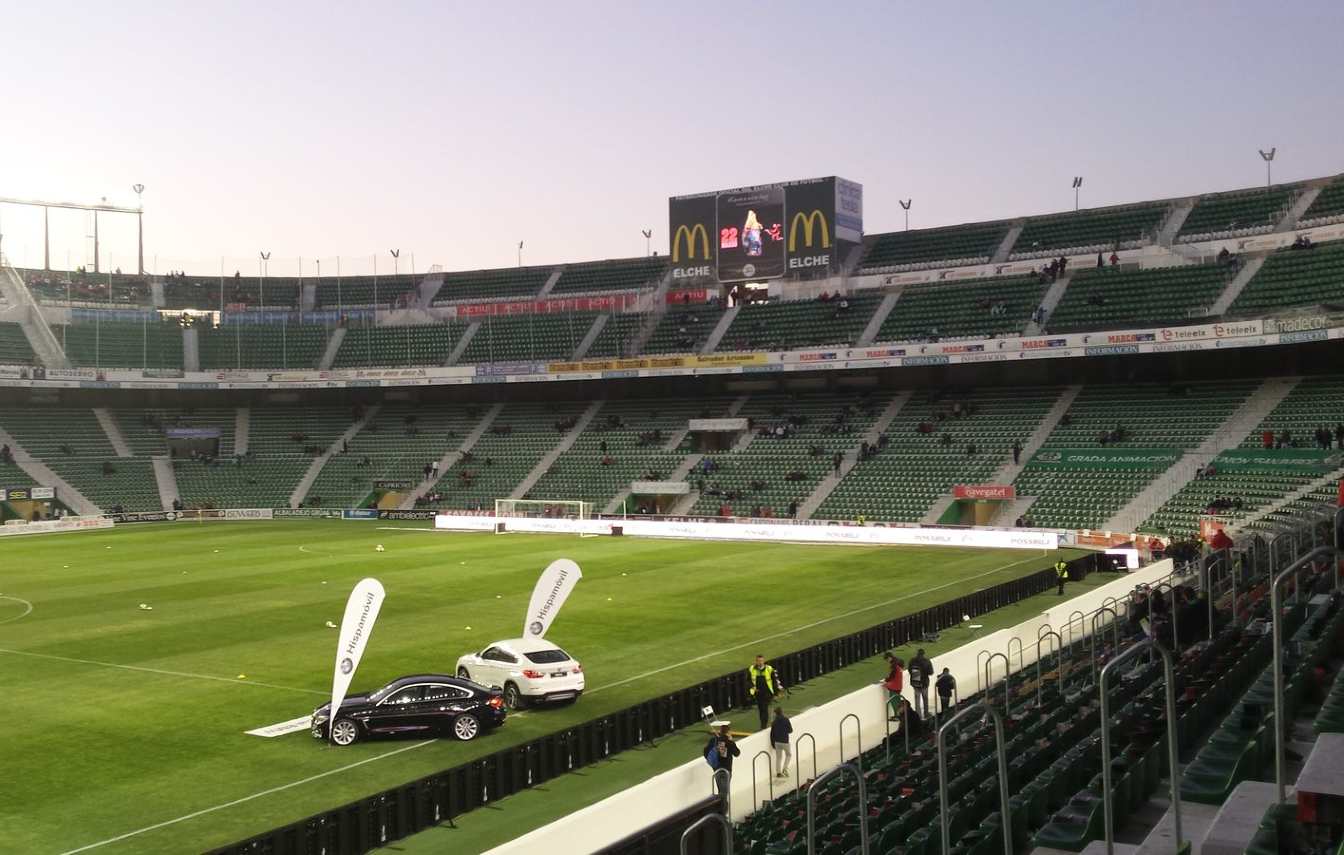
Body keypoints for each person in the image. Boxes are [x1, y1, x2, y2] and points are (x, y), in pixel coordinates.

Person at [747, 654, 783, 729]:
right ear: (756, 661)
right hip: (757, 692)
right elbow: (748, 680)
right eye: (758, 661)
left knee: (764, 708)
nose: (760, 662)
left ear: (763, 661)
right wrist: (753, 687)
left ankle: (763, 725)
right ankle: (763, 724)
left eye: (761, 661)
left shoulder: (769, 669)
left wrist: (776, 692)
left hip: (767, 692)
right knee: (761, 709)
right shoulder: (752, 669)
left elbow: (774, 681)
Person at [710, 724, 739, 795]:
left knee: (721, 791)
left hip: (717, 769)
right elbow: (737, 753)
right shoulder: (728, 742)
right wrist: (731, 742)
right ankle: (724, 805)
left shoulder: (715, 740)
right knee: (724, 793)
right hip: (725, 769)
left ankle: (722, 804)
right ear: (728, 732)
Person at [908, 648, 933, 718]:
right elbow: (931, 672)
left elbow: (909, 670)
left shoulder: (912, 660)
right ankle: (926, 713)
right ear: (923, 654)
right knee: (925, 698)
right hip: (924, 682)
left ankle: (918, 715)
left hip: (915, 682)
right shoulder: (926, 661)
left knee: (917, 700)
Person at [770, 706, 792, 778]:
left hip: (777, 742)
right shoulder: (786, 719)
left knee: (778, 757)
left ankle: (778, 773)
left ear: (776, 714)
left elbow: (772, 734)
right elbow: (790, 730)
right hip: (785, 741)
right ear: (782, 712)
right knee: (788, 755)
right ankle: (785, 768)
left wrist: (773, 744)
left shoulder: (774, 722)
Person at [881, 653, 904, 719]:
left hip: (894, 686)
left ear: (889, 658)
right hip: (899, 685)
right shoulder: (899, 663)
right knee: (898, 701)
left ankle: (897, 716)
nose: (887, 661)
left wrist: (886, 680)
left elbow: (891, 676)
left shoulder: (894, 666)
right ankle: (900, 715)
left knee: (893, 701)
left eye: (887, 659)